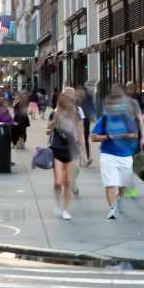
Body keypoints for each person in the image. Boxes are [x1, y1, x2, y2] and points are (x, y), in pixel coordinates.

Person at [90, 83, 140, 219]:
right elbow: (93, 137)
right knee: (110, 183)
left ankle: (119, 199)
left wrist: (124, 135)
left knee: (122, 183)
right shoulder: (104, 120)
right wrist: (108, 136)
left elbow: (135, 134)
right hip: (108, 155)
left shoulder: (126, 119)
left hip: (125, 155)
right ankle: (112, 208)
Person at [47, 87, 87, 220]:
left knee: (67, 182)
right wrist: (54, 123)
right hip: (57, 149)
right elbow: (48, 130)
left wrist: (83, 155)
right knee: (58, 182)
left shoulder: (77, 113)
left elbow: (81, 135)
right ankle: (58, 203)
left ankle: (65, 209)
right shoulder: (56, 113)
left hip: (71, 151)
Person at [77, 86, 97, 159]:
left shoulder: (87, 97)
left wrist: (92, 116)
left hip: (84, 120)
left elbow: (91, 107)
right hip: (81, 120)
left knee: (84, 138)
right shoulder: (78, 99)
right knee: (82, 139)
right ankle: (85, 156)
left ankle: (86, 157)